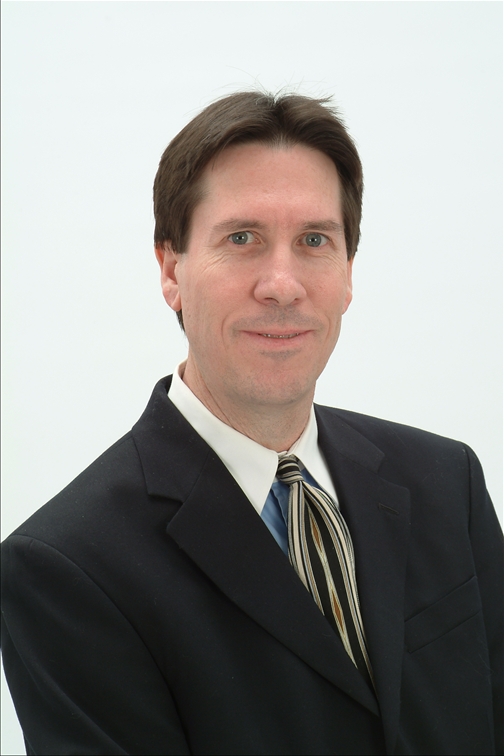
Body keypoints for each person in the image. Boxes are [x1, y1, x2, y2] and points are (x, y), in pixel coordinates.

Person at [1, 91, 502, 756]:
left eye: (315, 241)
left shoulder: (447, 482)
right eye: (242, 239)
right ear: (171, 269)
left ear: (348, 273)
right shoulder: (67, 569)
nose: (282, 284)